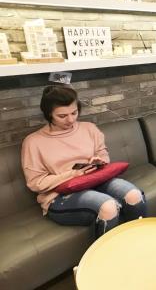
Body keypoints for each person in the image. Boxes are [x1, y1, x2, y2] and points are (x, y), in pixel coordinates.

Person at [21, 86, 147, 237]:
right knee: (108, 207)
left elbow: (103, 154)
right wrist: (73, 174)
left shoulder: (89, 128)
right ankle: (109, 258)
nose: (71, 119)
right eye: (62, 116)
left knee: (134, 195)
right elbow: (36, 183)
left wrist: (99, 161)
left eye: (74, 113)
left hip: (95, 180)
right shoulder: (33, 142)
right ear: (49, 114)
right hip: (59, 196)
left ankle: (138, 241)